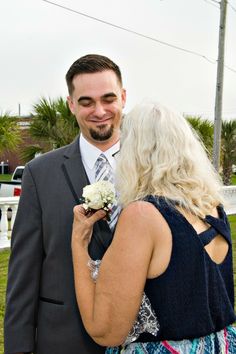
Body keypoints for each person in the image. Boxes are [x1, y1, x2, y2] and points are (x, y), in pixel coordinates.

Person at [71, 102, 236, 353]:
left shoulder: (142, 215)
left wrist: (78, 243)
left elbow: (105, 330)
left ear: (135, 154)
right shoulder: (212, 208)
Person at [4, 54, 126, 354]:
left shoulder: (153, 168)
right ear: (71, 104)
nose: (99, 111)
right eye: (86, 102)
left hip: (143, 342)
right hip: (64, 339)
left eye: (108, 99)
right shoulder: (40, 173)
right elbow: (24, 272)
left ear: (123, 97)